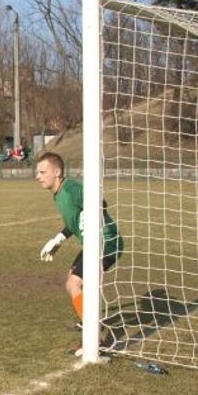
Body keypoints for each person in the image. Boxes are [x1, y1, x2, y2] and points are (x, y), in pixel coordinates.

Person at [35, 151, 124, 353]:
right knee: (71, 283)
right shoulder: (58, 195)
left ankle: (95, 339)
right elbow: (74, 222)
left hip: (107, 242)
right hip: (93, 243)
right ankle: (89, 322)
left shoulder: (71, 188)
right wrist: (58, 239)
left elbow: (100, 202)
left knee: (75, 284)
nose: (38, 176)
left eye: (42, 172)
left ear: (56, 172)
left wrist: (90, 212)